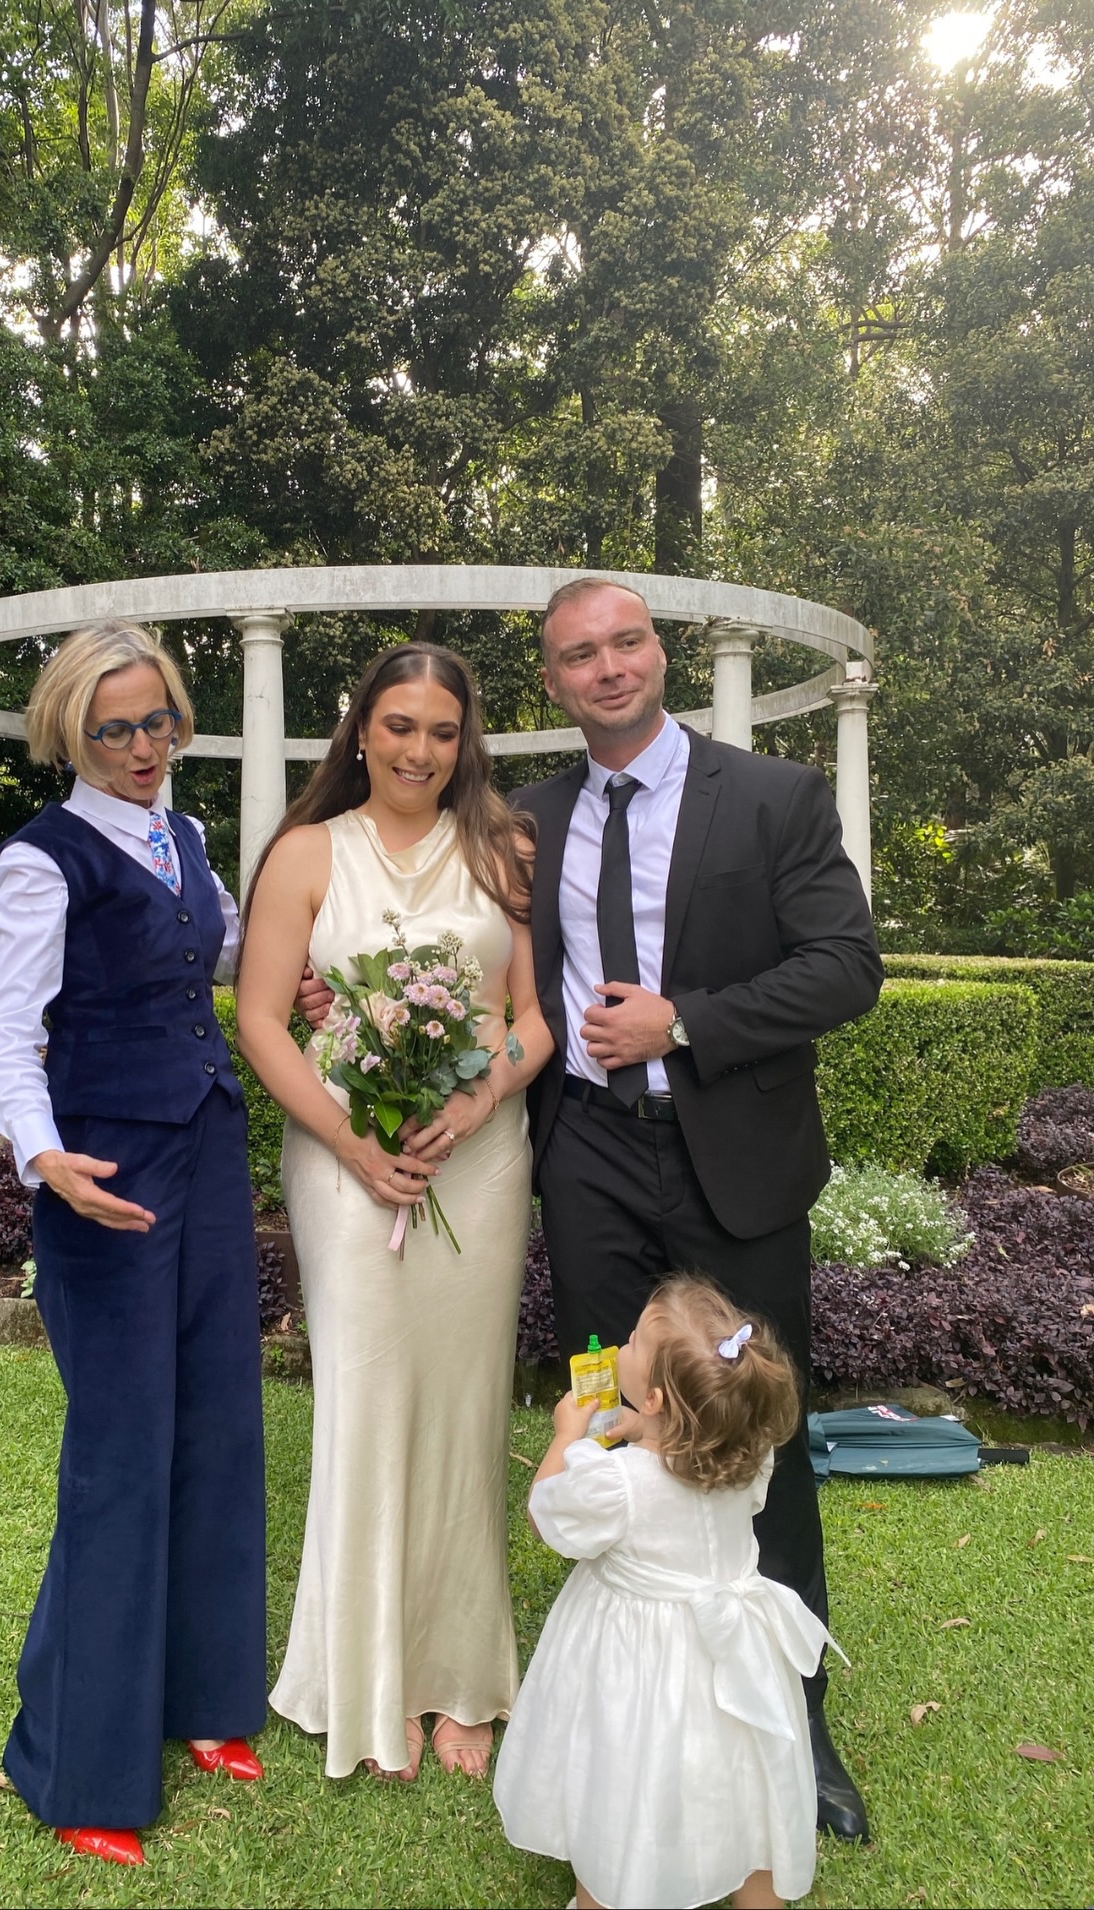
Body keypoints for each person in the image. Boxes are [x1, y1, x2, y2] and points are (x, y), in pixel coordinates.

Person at [510, 576, 884, 1839]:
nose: (608, 668)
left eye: (626, 643)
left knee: (754, 1428)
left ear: (657, 654)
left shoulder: (774, 795)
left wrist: (689, 1023)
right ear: (554, 682)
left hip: (737, 1157)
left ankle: (799, 1716)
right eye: (580, 655)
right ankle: (618, 1703)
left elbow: (846, 965)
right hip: (590, 1164)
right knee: (617, 1413)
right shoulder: (530, 819)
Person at [236, 641, 554, 1782]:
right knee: (368, 1399)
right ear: (359, 728)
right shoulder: (306, 852)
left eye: (443, 730)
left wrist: (472, 1104)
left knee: (466, 1412)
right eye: (400, 724)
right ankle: (367, 1677)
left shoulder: (504, 849)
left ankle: (461, 1675)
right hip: (344, 1159)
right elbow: (264, 1019)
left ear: (466, 742)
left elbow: (535, 1015)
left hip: (477, 1157)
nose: (420, 748)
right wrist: (353, 1142)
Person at [0, 620, 267, 1868]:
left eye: (159, 722)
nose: (144, 746)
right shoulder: (43, 862)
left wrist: (290, 978)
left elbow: (227, 950)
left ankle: (205, 1702)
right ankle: (78, 1760)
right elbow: (5, 1036)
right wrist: (45, 1159)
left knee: (216, 1423)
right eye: (116, 729)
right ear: (70, 734)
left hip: (204, 1156)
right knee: (117, 1455)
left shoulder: (188, 838)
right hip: (104, 1178)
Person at [493, 1278, 836, 1910]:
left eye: (630, 1341)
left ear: (651, 1396)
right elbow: (680, 1460)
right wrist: (640, 1431)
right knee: (742, 1781)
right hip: (734, 1658)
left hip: (638, 1666)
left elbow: (547, 1516)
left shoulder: (615, 1486)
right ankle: (758, 1896)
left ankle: (607, 1891)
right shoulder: (747, 1453)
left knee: (624, 1777)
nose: (620, 1345)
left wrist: (567, 1435)